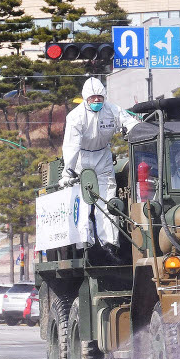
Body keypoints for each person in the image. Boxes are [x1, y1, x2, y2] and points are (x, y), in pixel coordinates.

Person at [61, 77, 140, 247]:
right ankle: (84, 243)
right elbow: (71, 146)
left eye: (100, 97)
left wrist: (137, 130)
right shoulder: (75, 117)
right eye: (93, 98)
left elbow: (129, 123)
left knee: (107, 201)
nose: (97, 100)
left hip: (103, 157)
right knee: (83, 203)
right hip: (81, 160)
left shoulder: (112, 110)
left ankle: (109, 243)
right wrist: (68, 171)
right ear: (86, 98)